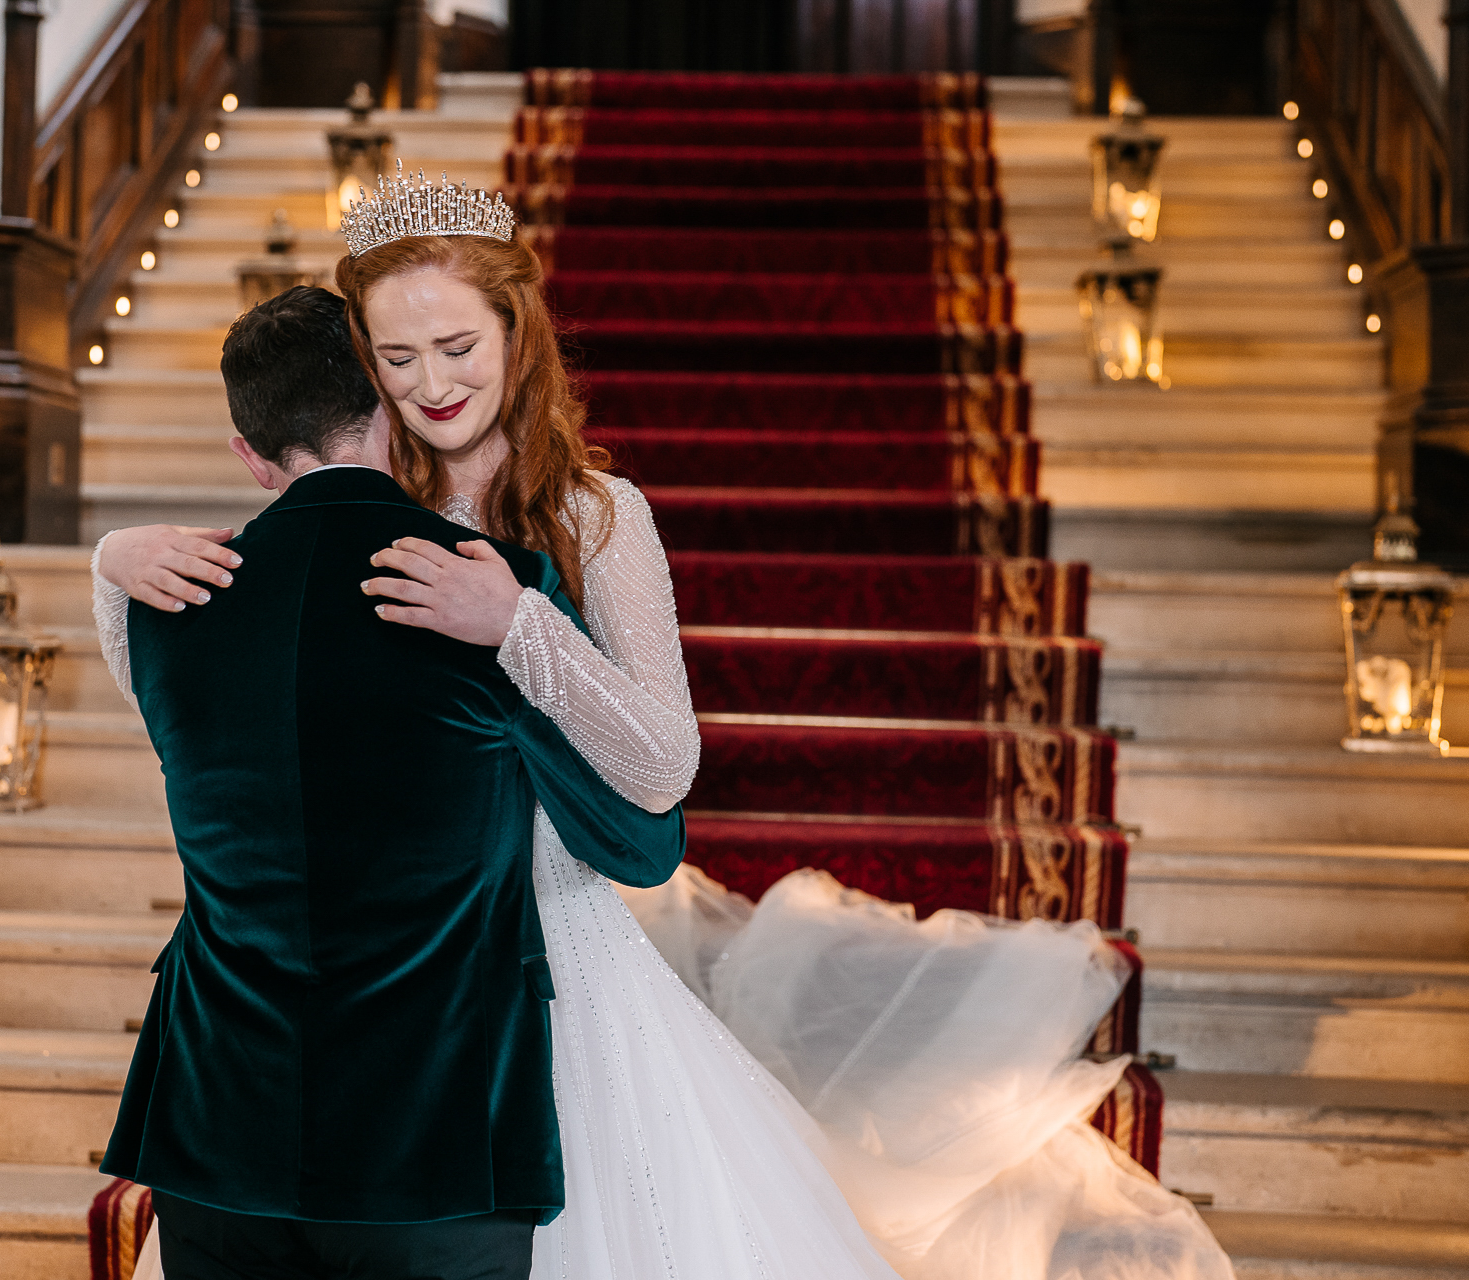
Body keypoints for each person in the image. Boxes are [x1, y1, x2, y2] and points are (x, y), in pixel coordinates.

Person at [96, 171, 1232, 1280]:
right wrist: (113, 562)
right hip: (379, 989)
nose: (432, 383)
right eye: (396, 359)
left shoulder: (596, 515)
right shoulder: (353, 514)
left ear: (516, 332)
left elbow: (660, 760)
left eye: (459, 347)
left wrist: (522, 625)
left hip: (548, 954)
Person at [96, 284, 689, 1280]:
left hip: (218, 1115)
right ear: (385, 395)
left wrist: (110, 557)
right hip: (437, 1117)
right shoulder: (478, 589)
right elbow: (643, 819)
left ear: (250, 453)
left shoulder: (160, 604)